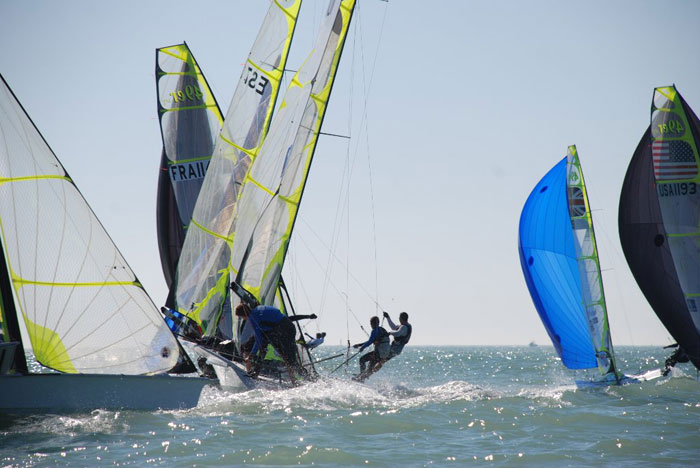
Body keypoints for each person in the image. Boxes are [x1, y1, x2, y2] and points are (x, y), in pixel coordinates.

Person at [235, 303, 315, 385]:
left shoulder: (253, 317)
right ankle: (254, 372)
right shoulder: (258, 310)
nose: (244, 319)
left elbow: (259, 338)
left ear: (244, 314)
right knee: (264, 347)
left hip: (285, 330)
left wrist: (252, 354)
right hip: (283, 328)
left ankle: (307, 379)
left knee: (290, 360)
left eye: (242, 317)